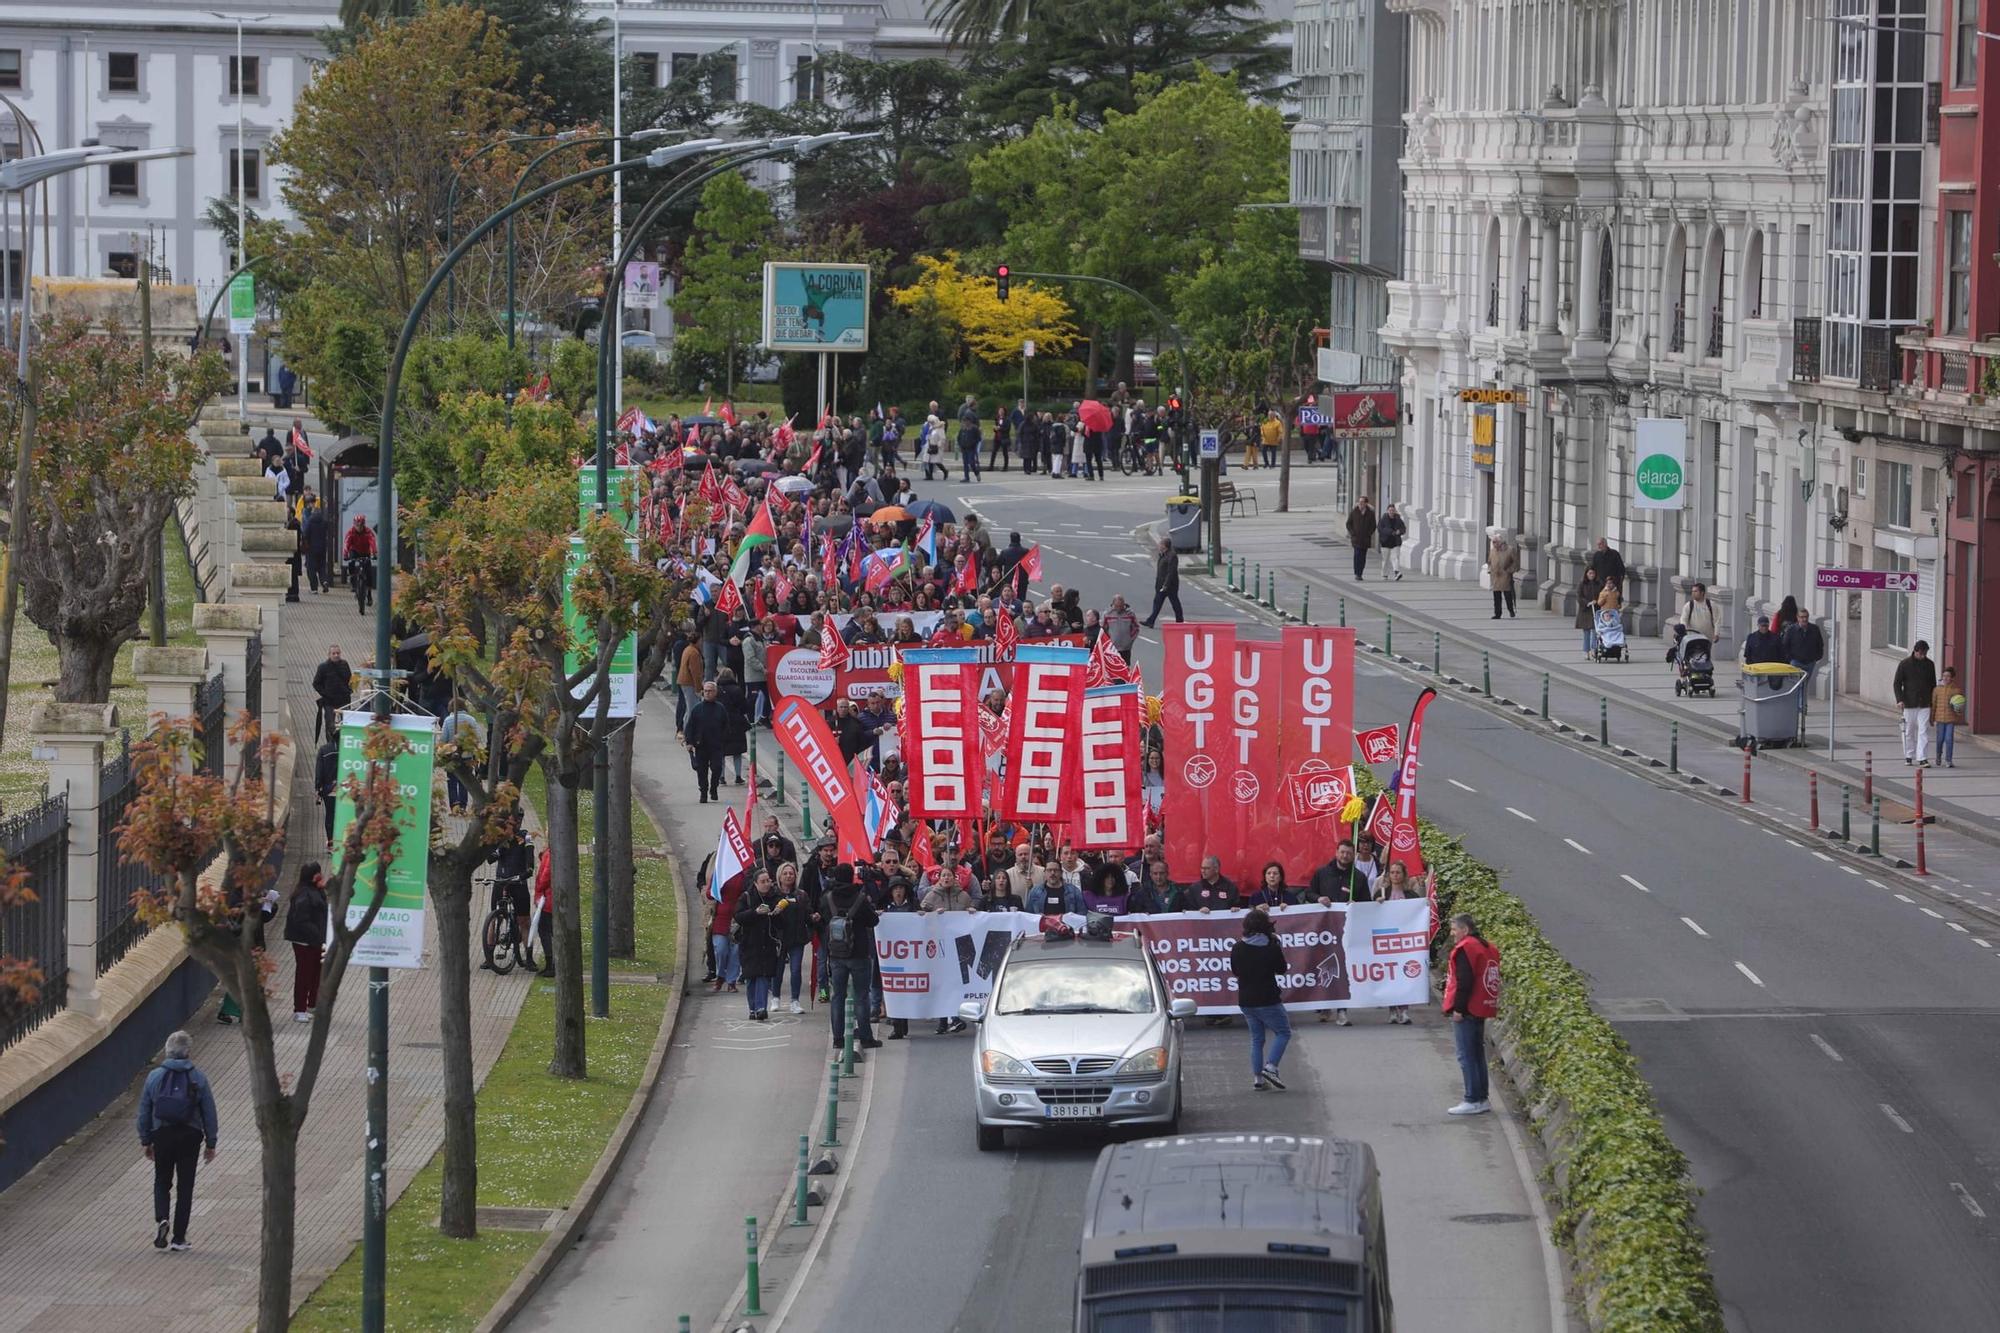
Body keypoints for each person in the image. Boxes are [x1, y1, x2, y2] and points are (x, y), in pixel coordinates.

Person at [137, 1030, 219, 1252]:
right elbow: (209, 1111)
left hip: (162, 1134)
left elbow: (145, 1110)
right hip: (190, 1136)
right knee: (185, 1186)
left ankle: (162, 1217)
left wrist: (146, 1140)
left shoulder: (154, 1077)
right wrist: (211, 1143)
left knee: (162, 1180)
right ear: (188, 1052)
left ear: (167, 1051)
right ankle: (179, 1238)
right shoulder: (198, 1078)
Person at [1444, 913, 1500, 1116]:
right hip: (1481, 1006)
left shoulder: (1465, 948)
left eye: (1454, 929)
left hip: (1467, 1008)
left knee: (1466, 1055)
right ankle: (1481, 1097)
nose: (1452, 934)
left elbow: (1464, 982)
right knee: (1477, 1055)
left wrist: (1458, 1009)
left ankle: (1472, 1098)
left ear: (1465, 930)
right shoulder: (1485, 946)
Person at [821, 864, 883, 1048]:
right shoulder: (860, 898)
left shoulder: (828, 898)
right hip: (859, 953)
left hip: (836, 954)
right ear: (851, 877)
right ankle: (865, 1037)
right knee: (862, 996)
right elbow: (874, 921)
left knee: (837, 996)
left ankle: (838, 1039)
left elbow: (823, 918)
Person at [1230, 909, 1292, 1091]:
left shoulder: (1238, 947)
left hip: (1246, 1000)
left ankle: (1258, 1078)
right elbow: (1281, 969)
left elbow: (1235, 970)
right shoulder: (1271, 946)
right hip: (1268, 998)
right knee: (1283, 1032)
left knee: (1257, 1039)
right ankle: (1271, 1067)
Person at [733, 870, 786, 1020]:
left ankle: (761, 1008)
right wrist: (755, 912)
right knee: (751, 977)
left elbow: (782, 924)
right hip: (749, 943)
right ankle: (753, 1007)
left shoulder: (775, 897)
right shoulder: (747, 897)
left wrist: (777, 913)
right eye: (762, 881)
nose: (766, 884)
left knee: (764, 975)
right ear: (755, 883)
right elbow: (738, 916)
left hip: (767, 943)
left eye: (768, 881)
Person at [284, 864, 329, 1022]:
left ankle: (311, 1004)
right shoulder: (304, 894)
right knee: (304, 974)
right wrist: (316, 934)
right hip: (305, 941)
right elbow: (301, 919)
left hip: (316, 941)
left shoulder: (316, 891)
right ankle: (300, 1009)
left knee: (316, 972)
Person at [1377, 862, 1418, 1025]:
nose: (1395, 875)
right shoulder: (1381, 894)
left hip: (1405, 943)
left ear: (1404, 875)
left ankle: (1404, 1010)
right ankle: (1392, 1010)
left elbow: (1418, 912)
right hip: (1387, 941)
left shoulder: (1411, 895)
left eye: (1398, 872)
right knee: (1390, 976)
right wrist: (1376, 904)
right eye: (1392, 872)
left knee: (1405, 974)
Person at [1893, 640, 1938, 767]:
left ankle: (1922, 757)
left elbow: (1933, 684)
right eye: (1921, 653)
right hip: (1909, 702)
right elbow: (1897, 683)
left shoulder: (1930, 664)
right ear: (1916, 651)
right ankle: (1908, 755)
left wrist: (1932, 702)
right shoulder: (1905, 664)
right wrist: (1899, 699)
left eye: (1925, 653)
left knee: (1923, 730)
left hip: (1925, 703)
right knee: (1909, 731)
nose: (1923, 655)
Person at [683, 680, 729, 801]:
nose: (708, 693)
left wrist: (723, 740)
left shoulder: (720, 708)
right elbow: (690, 726)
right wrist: (689, 742)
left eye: (710, 691)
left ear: (715, 692)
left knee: (717, 768)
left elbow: (726, 726)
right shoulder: (697, 709)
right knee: (701, 771)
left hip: (716, 745)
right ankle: (703, 792)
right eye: (706, 691)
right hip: (701, 745)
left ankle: (714, 788)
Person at [1780, 607, 1825, 716]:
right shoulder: (1792, 630)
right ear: (1797, 618)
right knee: (1798, 684)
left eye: (1806, 617)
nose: (1804, 619)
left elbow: (1820, 644)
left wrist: (1817, 657)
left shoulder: (1814, 629)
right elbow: (1785, 645)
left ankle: (1801, 705)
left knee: (1804, 685)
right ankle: (1801, 706)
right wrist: (1790, 658)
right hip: (1796, 661)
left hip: (1810, 662)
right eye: (1802, 617)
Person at [439, 700, 482, 813]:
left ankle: (454, 805)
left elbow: (443, 739)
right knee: (465, 781)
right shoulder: (471, 720)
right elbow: (477, 737)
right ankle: (463, 805)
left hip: (452, 755)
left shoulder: (448, 720)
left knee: (451, 780)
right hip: (467, 755)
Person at [311, 644, 352, 745]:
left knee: (346, 723)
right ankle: (330, 745)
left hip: (344, 699)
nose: (336, 655)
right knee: (330, 725)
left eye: (338, 653)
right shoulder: (323, 667)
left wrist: (349, 689)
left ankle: (343, 744)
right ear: (329, 655)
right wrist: (325, 694)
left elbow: (350, 679)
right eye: (334, 653)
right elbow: (316, 683)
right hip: (329, 701)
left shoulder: (344, 664)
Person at [1142, 537, 1183, 627]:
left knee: (1175, 602)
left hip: (1169, 585)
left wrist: (1166, 585)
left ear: (1164, 546)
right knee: (1157, 603)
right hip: (1161, 584)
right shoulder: (1163, 555)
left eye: (1160, 544)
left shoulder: (1172, 556)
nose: (1159, 545)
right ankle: (1151, 621)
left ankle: (1180, 621)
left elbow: (1171, 572)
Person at [343, 516, 377, 614]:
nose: (359, 527)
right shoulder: (351, 532)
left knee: (369, 572)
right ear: (354, 524)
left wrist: (374, 553)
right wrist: (345, 554)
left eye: (361, 525)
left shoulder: (368, 532)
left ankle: (369, 594)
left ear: (364, 525)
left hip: (365, 552)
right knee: (351, 562)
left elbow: (372, 542)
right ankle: (353, 581)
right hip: (355, 551)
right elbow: (346, 543)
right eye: (357, 525)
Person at [1933, 666, 1964, 768]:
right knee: (1940, 739)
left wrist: (1958, 712)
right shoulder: (1937, 689)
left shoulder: (1956, 690)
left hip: (1950, 719)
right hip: (1940, 719)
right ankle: (1938, 756)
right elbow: (1933, 704)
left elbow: (1959, 706)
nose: (1945, 678)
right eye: (1944, 676)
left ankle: (1948, 760)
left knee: (1949, 739)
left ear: (1952, 678)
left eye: (1948, 676)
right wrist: (1931, 718)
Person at [313, 735, 340, 852]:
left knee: (330, 815)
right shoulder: (347, 749)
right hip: (345, 788)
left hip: (329, 789)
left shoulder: (324, 750)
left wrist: (318, 788)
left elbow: (319, 771)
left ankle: (331, 842)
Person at [1486, 533, 1519, 619]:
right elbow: (1489, 561)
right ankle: (1497, 613)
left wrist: (1509, 571)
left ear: (1500, 542)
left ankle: (1511, 610)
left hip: (1505, 576)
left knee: (1508, 595)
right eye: (1493, 542)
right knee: (1496, 596)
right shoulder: (1493, 550)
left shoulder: (1510, 550)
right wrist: (1489, 569)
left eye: (1495, 542)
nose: (1494, 544)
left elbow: (1515, 562)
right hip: (1496, 576)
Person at [1345, 496, 1376, 579]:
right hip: (1356, 538)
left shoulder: (1370, 513)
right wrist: (1352, 533)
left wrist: (1368, 534)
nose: (1360, 503)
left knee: (1363, 557)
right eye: (1359, 502)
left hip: (1365, 539)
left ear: (1366, 503)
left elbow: (1373, 526)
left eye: (1362, 502)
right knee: (1357, 555)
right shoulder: (1354, 512)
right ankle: (1357, 573)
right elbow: (1348, 524)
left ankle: (1360, 572)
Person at [1575, 568, 1601, 657]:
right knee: (1586, 631)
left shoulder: (1599, 584)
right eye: (1590, 573)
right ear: (1586, 574)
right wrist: (1587, 603)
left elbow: (1602, 595)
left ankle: (1594, 649)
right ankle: (1586, 651)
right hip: (1585, 611)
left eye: (1593, 573)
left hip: (1595, 610)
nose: (1592, 575)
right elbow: (1579, 596)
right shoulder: (1582, 584)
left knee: (1595, 630)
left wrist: (1597, 601)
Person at [1377, 504, 1407, 580]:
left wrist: (1399, 531)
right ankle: (1384, 574)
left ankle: (1397, 572)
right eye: (1390, 510)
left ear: (1395, 511)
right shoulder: (1383, 519)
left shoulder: (1398, 519)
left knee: (1395, 558)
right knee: (1386, 559)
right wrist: (1392, 532)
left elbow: (1403, 528)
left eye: (1393, 510)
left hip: (1395, 542)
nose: (1391, 512)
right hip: (1385, 542)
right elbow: (1380, 529)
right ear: (1387, 511)